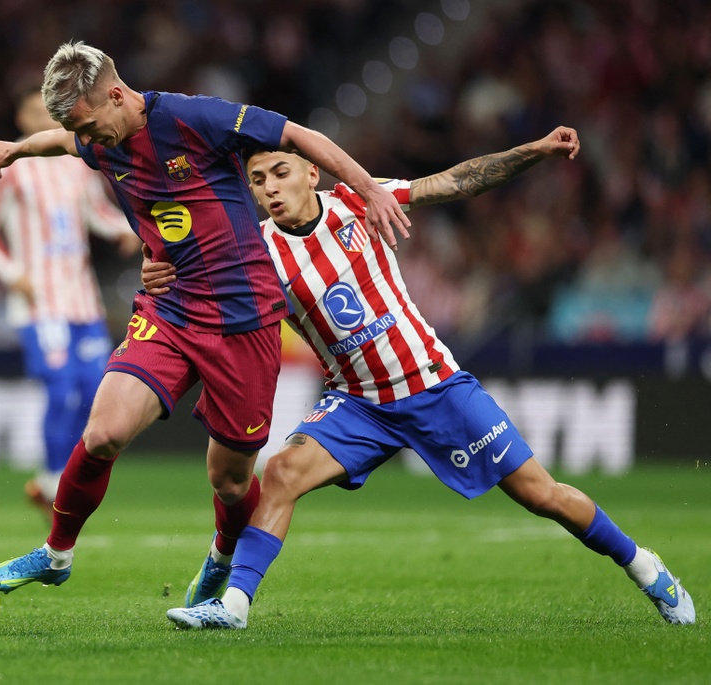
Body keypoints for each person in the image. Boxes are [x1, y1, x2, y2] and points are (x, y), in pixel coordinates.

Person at [146, 127, 696, 629]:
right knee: (283, 471)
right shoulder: (256, 254)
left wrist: (533, 151)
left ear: (313, 172)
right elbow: (191, 282)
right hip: (357, 401)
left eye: (281, 172)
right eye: (258, 179)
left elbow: (457, 181)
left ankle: (646, 568)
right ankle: (234, 606)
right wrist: (156, 270)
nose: (269, 188)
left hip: (433, 385)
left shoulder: (359, 202)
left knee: (542, 494)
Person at [0, 40, 411, 596]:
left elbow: (298, 136)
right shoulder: (96, 138)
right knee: (102, 433)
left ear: (116, 95)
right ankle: (56, 554)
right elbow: (62, 140)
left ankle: (223, 556)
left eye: (90, 126)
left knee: (230, 481)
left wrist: (368, 189)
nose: (88, 140)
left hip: (244, 317)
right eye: (80, 131)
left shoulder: (191, 117)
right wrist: (19, 148)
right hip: (170, 308)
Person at [0, 87, 138, 514]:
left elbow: (95, 212)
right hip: (39, 301)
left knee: (95, 392)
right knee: (61, 390)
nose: (44, 117)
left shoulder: (77, 160)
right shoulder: (9, 166)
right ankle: (51, 479)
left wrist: (125, 228)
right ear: (21, 120)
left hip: (83, 300)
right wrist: (12, 274)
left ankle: (68, 478)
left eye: (49, 110)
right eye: (34, 111)